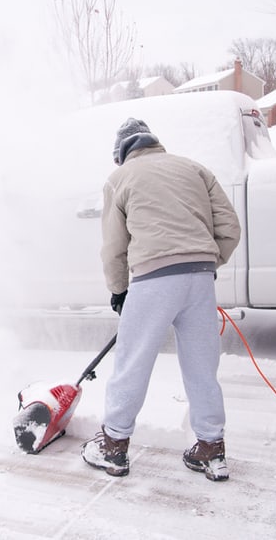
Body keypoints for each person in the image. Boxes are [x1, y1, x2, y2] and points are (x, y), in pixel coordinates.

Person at [81, 117, 241, 481]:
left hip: (152, 278)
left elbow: (113, 248)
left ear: (121, 153)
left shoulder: (119, 178)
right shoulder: (195, 169)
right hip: (200, 278)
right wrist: (207, 261)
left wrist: (119, 289)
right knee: (202, 366)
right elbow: (230, 227)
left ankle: (113, 444)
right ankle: (211, 448)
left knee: (132, 361)